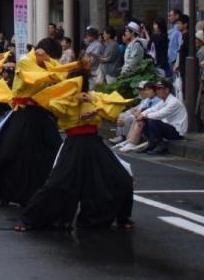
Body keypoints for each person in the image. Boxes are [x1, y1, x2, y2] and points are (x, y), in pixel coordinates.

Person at [0, 37, 81, 207]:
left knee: (54, 150)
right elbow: (40, 77)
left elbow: (61, 76)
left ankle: (50, 195)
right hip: (23, 113)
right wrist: (59, 68)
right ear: (41, 52)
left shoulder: (45, 62)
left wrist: (62, 66)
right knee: (5, 152)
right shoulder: (26, 60)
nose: (52, 61)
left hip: (40, 113)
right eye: (49, 57)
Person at [16, 77, 133, 231]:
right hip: (74, 144)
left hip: (94, 143)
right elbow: (54, 106)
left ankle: (122, 217)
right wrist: (74, 100)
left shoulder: (95, 97)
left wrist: (96, 107)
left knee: (122, 178)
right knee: (57, 183)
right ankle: (29, 219)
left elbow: (112, 109)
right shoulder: (64, 99)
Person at [130, 79, 188, 154]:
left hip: (178, 132)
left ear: (167, 90)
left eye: (160, 88)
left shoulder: (173, 102)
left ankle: (160, 144)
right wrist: (142, 114)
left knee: (152, 120)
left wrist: (144, 116)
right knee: (146, 119)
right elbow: (153, 109)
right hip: (169, 127)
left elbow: (160, 114)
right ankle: (152, 142)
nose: (157, 91)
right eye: (157, 89)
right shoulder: (163, 100)